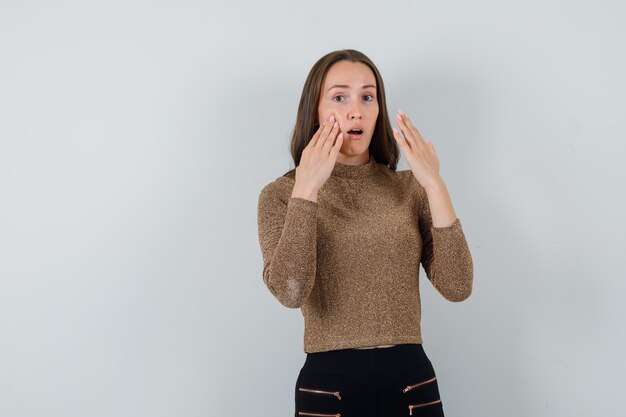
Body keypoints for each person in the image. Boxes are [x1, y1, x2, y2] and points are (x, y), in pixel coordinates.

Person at [257, 49, 474, 417]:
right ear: (315, 110)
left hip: (410, 380)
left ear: (379, 110)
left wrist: (434, 184)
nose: (355, 110)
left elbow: (457, 286)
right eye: (339, 97)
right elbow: (290, 291)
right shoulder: (281, 195)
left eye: (367, 97)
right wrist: (307, 190)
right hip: (329, 386)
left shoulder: (410, 189)